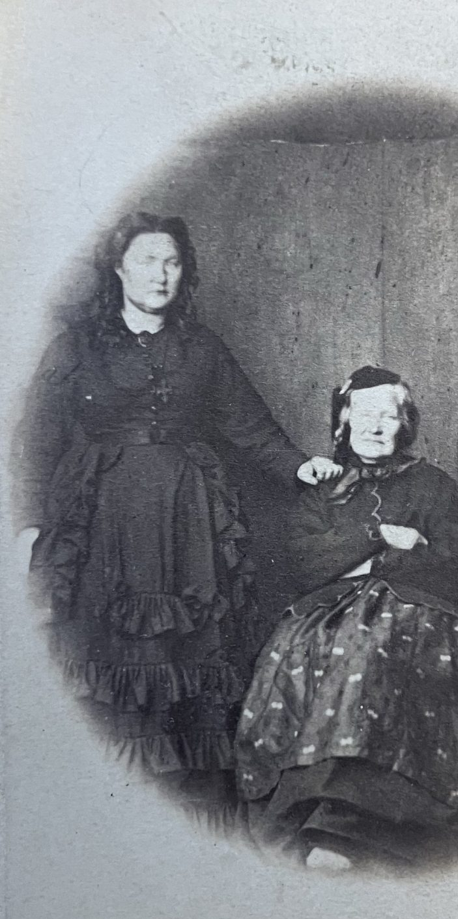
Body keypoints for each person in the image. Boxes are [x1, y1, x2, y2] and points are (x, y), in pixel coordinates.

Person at [12, 211, 340, 815]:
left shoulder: (202, 348)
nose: (161, 275)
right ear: (117, 269)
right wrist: (28, 522)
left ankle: (185, 814)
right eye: (146, 261)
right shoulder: (77, 348)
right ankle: (105, 809)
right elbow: (36, 439)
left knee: (188, 656)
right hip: (102, 523)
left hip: (188, 522)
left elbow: (251, 428)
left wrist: (300, 466)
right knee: (113, 655)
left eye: (172, 263)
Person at [235, 366, 458, 869]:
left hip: (416, 619)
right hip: (322, 619)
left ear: (405, 423)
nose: (376, 426)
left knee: (371, 641)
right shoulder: (321, 488)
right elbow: (299, 560)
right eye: (365, 413)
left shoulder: (433, 486)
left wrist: (366, 565)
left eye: (389, 414)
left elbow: (450, 566)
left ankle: (350, 829)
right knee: (296, 655)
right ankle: (304, 813)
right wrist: (382, 537)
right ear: (344, 421)